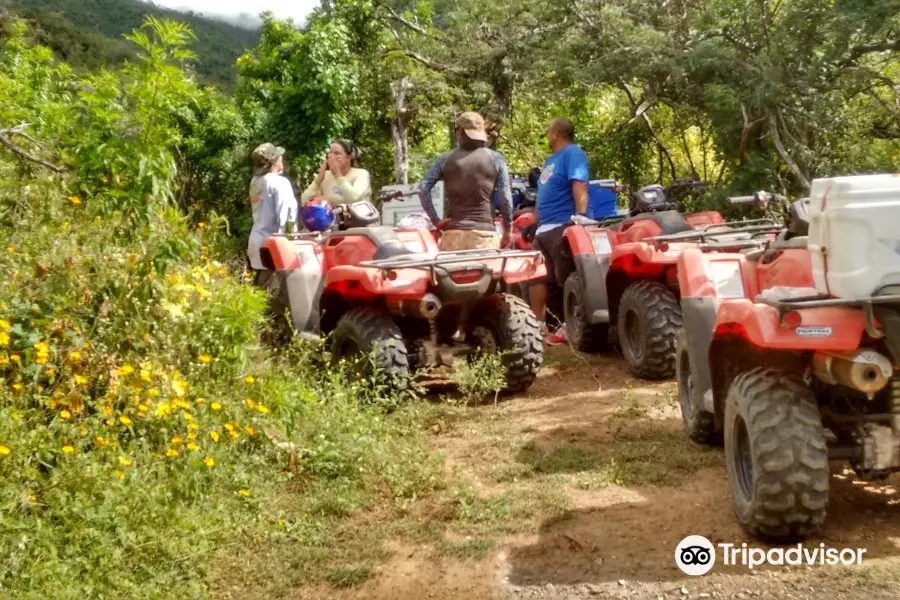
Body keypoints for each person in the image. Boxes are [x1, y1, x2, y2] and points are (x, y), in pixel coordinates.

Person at [530, 118, 590, 344]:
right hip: (543, 228)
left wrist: (581, 217)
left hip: (561, 224)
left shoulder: (573, 153)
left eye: (548, 132)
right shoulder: (550, 159)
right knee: (536, 277)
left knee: (565, 278)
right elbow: (544, 193)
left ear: (555, 134)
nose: (547, 136)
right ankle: (538, 325)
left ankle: (569, 327)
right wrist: (534, 222)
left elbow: (579, 183)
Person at [417, 112, 512, 250]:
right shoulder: (495, 159)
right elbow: (506, 198)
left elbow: (423, 188)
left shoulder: (444, 159)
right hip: (484, 237)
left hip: (453, 236)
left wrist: (436, 221)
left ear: (459, 132)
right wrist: (508, 230)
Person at [247, 143, 298, 288]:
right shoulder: (279, 182)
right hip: (273, 247)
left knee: (258, 292)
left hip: (257, 243)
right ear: (273, 162)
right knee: (273, 297)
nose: (282, 160)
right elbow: (288, 216)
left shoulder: (255, 182)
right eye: (279, 158)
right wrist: (291, 242)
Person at [301, 139, 371, 206]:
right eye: (330, 152)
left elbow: (353, 199)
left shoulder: (361, 174)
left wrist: (338, 175)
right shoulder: (325, 176)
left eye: (337, 153)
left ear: (349, 157)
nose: (331, 156)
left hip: (356, 217)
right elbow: (304, 201)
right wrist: (318, 180)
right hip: (332, 217)